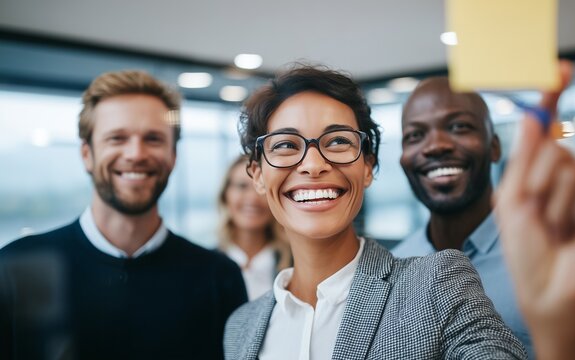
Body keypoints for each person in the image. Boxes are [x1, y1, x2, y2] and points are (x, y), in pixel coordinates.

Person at [224, 65, 527, 359]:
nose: (314, 165)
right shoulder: (240, 328)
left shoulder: (436, 285)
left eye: (339, 141)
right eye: (286, 145)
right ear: (258, 176)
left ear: (367, 167)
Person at [0, 70, 247, 360]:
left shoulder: (219, 277)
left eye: (153, 139)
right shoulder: (14, 269)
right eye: (117, 138)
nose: (135, 154)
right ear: (86, 154)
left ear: (173, 155)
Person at [393, 68, 575, 359]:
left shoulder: (567, 263)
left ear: (494, 147)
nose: (435, 145)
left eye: (459, 127)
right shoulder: (396, 267)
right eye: (415, 135)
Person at [217, 155, 292, 300]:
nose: (252, 198)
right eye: (242, 186)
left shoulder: (295, 266)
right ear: (225, 195)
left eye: (261, 187)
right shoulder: (204, 267)